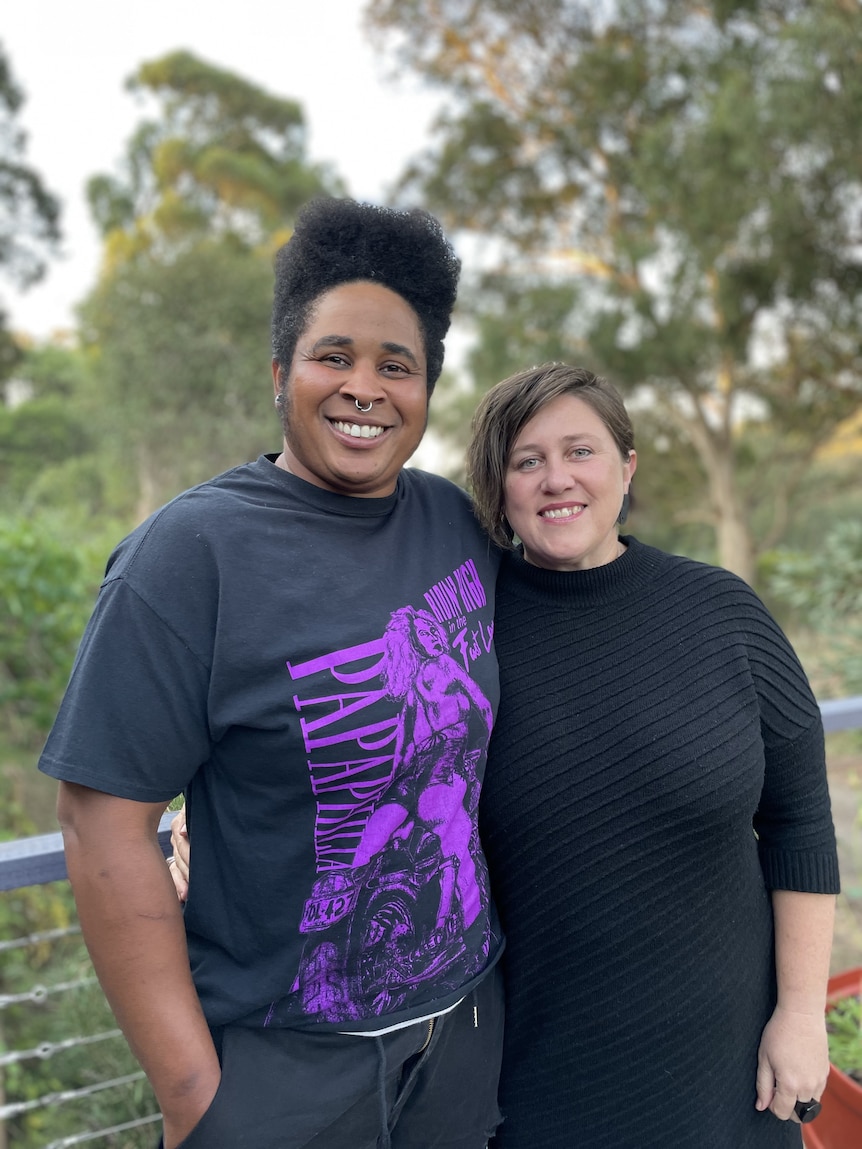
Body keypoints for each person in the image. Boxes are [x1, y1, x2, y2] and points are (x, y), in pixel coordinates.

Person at [38, 198, 505, 1149]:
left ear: (428, 389)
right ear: (281, 370)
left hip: (462, 1040)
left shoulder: (454, 524)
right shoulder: (189, 555)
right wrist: (196, 1096)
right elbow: (101, 822)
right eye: (334, 355)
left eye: (396, 365)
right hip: (283, 1073)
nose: (364, 388)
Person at [465, 363, 839, 1148]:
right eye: (527, 459)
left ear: (627, 468)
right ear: (498, 487)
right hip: (537, 1086)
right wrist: (196, 831)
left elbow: (799, 820)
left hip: (735, 1075)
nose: (556, 478)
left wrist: (801, 1015)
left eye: (581, 451)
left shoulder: (721, 611)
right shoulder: (465, 638)